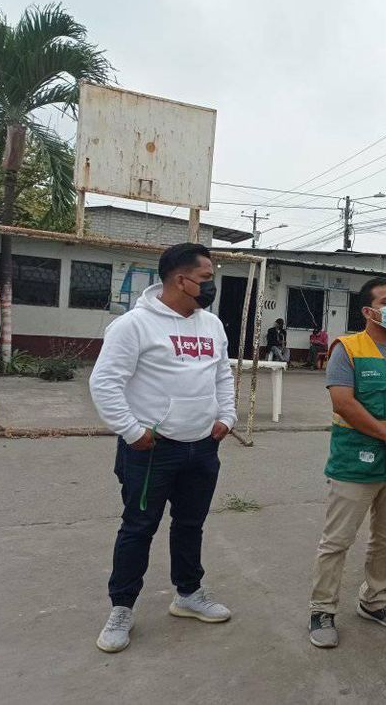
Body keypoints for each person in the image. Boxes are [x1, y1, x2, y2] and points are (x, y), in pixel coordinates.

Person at [89, 243, 236, 654]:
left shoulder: (212, 325)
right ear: (180, 280)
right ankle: (121, 608)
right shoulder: (134, 325)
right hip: (152, 449)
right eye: (206, 278)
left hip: (202, 447)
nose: (211, 286)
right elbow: (105, 382)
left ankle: (188, 594)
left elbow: (222, 375)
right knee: (138, 527)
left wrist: (227, 416)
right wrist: (131, 431)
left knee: (190, 524)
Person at [308, 277, 386, 649]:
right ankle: (322, 609)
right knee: (337, 540)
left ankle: (374, 599)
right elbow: (343, 403)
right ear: (368, 310)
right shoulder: (347, 348)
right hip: (355, 461)